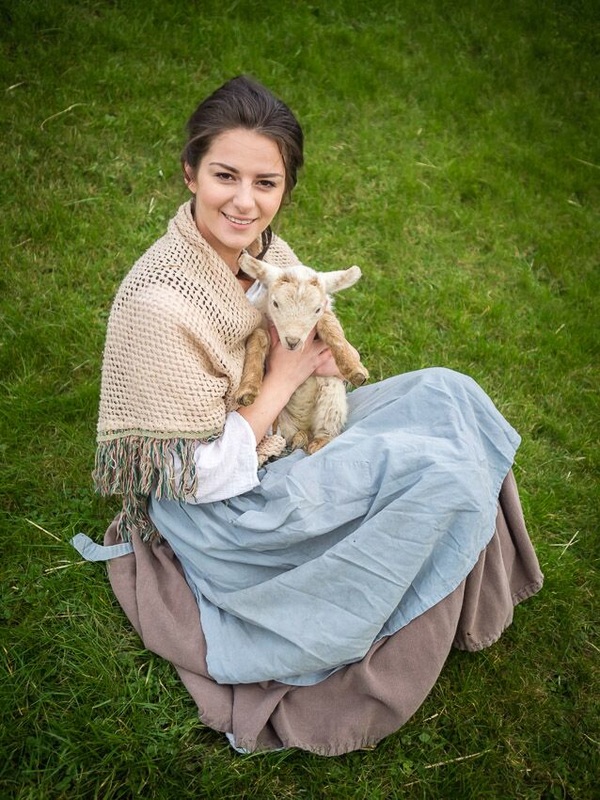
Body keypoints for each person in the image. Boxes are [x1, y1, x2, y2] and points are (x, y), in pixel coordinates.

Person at [72, 75, 543, 756]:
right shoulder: (158, 303)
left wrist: (315, 373)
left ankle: (458, 577)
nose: (244, 201)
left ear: (285, 188)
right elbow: (194, 479)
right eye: (225, 176)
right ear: (189, 173)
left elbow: (310, 337)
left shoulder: (267, 257)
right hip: (230, 509)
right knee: (439, 476)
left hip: (287, 438)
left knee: (450, 392)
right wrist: (284, 379)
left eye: (265, 183)